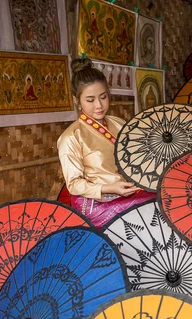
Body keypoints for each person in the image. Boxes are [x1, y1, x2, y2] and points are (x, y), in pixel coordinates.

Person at [57, 57, 155, 228]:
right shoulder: (71, 137)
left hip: (125, 192)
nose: (99, 105)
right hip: (96, 202)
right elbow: (74, 184)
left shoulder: (118, 123)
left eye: (103, 97)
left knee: (162, 198)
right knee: (148, 206)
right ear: (76, 100)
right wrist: (110, 188)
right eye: (90, 100)